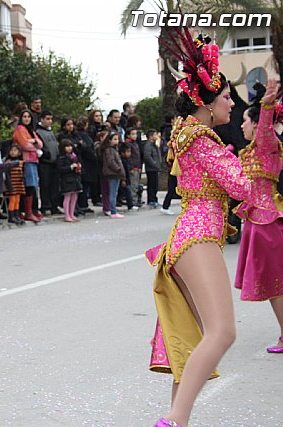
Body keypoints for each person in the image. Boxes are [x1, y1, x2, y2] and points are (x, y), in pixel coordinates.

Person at [146, 30, 263, 427]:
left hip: (193, 236)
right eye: (227, 96)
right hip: (197, 238)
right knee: (223, 333)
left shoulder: (194, 137)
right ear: (207, 104)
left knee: (198, 339)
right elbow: (242, 185)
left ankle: (177, 420)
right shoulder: (201, 140)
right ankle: (175, 421)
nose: (232, 101)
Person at [234, 78, 283, 354]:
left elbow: (266, 128)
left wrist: (266, 107)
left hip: (267, 225)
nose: (242, 125)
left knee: (276, 286)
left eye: (245, 121)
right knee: (276, 285)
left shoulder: (266, 145)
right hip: (258, 223)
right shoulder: (249, 152)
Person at [12, 109, 43, 223]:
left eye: (28, 117)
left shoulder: (31, 130)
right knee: (27, 185)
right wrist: (35, 147)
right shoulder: (20, 129)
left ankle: (30, 210)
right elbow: (24, 145)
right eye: (24, 116)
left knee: (32, 185)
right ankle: (26, 212)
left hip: (33, 160)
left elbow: (40, 143)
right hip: (25, 160)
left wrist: (34, 141)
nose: (27, 119)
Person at [37, 110, 61, 215]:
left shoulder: (51, 132)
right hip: (45, 162)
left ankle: (54, 206)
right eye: (47, 119)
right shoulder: (38, 132)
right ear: (41, 119)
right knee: (45, 185)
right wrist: (44, 155)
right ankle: (45, 206)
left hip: (54, 162)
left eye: (51, 119)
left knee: (54, 185)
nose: (49, 121)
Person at [100, 133, 125, 219]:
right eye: (114, 139)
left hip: (114, 173)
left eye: (117, 139)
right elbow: (111, 162)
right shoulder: (109, 150)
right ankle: (113, 211)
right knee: (113, 193)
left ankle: (113, 209)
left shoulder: (114, 149)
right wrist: (118, 169)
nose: (116, 141)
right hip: (113, 173)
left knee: (114, 192)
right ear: (109, 140)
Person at [58, 139, 82, 222]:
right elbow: (60, 169)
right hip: (67, 179)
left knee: (74, 197)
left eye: (70, 146)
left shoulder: (74, 156)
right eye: (67, 146)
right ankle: (67, 215)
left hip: (75, 178)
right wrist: (70, 167)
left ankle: (72, 214)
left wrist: (78, 166)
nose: (69, 148)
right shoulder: (62, 157)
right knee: (67, 197)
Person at [4, 144, 25, 225]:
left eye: (15, 150)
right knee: (12, 200)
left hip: (19, 183)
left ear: (19, 153)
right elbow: (7, 175)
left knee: (17, 200)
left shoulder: (21, 162)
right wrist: (9, 185)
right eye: (11, 150)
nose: (13, 152)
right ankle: (11, 216)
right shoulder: (8, 163)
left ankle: (16, 215)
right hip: (12, 183)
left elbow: (23, 172)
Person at [143, 129, 162, 208]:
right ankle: (151, 199)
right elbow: (147, 156)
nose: (156, 136)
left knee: (155, 185)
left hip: (155, 168)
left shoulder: (154, 145)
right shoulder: (148, 145)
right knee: (151, 184)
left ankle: (154, 199)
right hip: (151, 168)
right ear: (150, 136)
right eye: (155, 135)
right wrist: (154, 164)